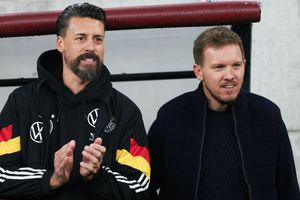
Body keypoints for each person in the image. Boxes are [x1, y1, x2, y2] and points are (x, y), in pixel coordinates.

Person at [0, 3, 150, 200]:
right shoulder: (22, 102)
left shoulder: (124, 110)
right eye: (81, 38)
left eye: (98, 39)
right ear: (60, 43)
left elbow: (140, 187)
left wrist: (97, 176)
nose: (91, 47)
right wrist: (50, 180)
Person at [148, 26, 300, 200]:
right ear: (199, 72)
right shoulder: (171, 118)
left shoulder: (268, 116)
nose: (230, 75)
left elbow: (289, 189)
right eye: (219, 67)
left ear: (244, 64)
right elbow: (145, 186)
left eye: (236, 65)